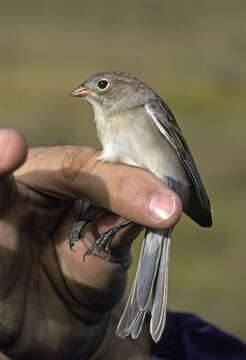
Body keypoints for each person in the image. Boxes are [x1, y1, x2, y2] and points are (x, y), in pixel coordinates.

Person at [0, 128, 245, 359]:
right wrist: (107, 345)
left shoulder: (145, 106)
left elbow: (180, 158)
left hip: (164, 200)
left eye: (103, 85)